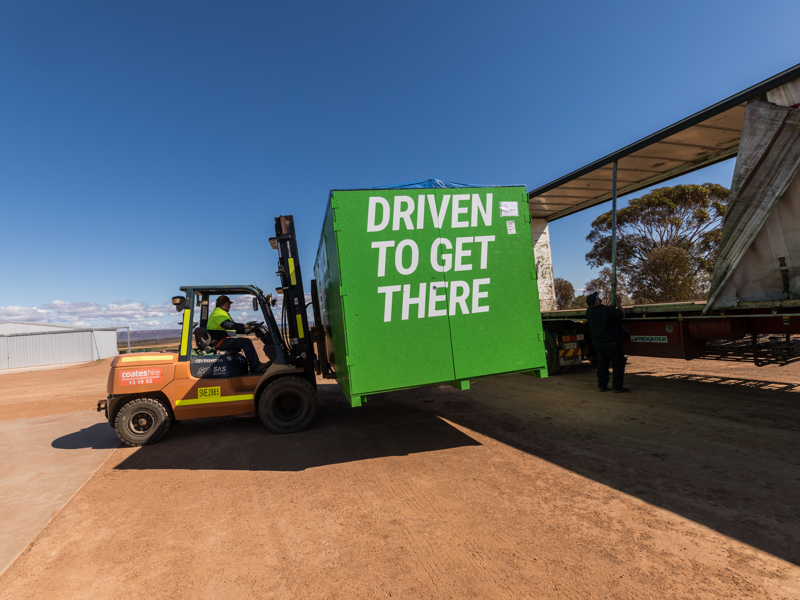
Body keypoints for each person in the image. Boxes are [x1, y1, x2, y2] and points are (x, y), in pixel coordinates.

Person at [207, 295, 267, 374]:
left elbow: (232, 328)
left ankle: (253, 366)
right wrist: (244, 326)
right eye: (230, 304)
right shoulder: (218, 312)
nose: (230, 307)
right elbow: (227, 325)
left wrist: (248, 329)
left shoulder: (221, 312)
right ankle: (255, 367)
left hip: (222, 339)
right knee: (246, 342)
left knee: (244, 341)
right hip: (219, 341)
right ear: (226, 303)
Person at [586, 292, 630, 393]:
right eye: (597, 297)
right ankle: (617, 387)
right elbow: (621, 314)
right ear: (596, 301)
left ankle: (602, 386)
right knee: (618, 364)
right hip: (612, 342)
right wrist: (618, 304)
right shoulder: (606, 310)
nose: (599, 298)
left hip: (599, 343)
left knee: (602, 365)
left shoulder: (589, 311)